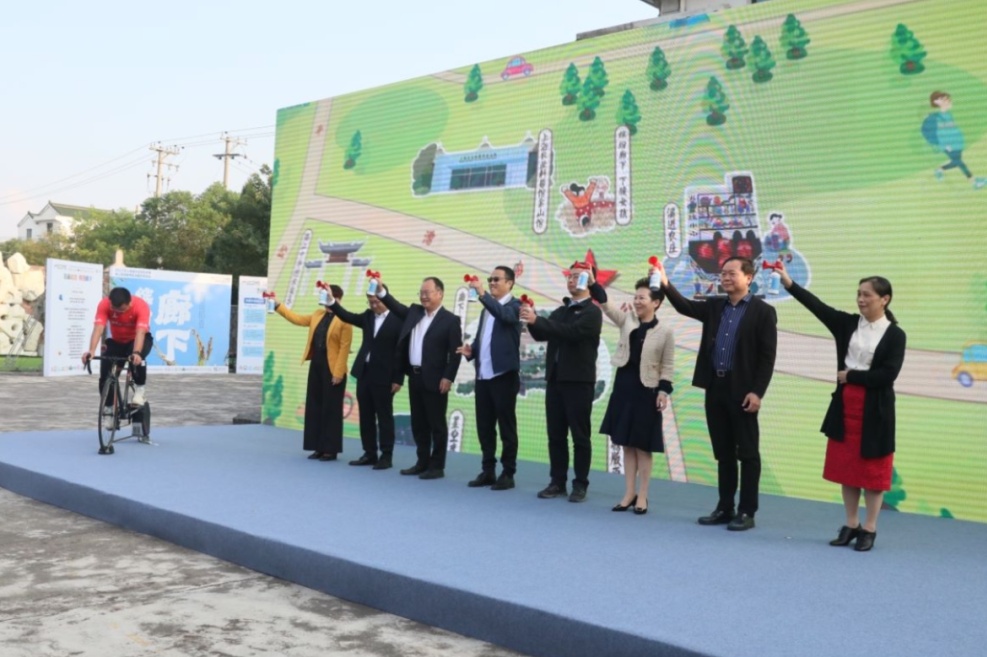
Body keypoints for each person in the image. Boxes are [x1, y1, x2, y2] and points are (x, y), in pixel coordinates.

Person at [778, 265, 906, 551]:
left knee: (872, 474)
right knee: (847, 470)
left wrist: (852, 376)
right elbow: (817, 307)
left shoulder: (896, 335)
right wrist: (788, 283)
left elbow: (888, 375)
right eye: (859, 294)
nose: (861, 299)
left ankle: (869, 528)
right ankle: (851, 524)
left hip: (876, 411)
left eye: (867, 295)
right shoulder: (847, 324)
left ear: (884, 299)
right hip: (845, 406)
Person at [658, 257, 777, 531]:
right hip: (715, 387)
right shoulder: (714, 306)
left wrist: (757, 392)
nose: (725, 277)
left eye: (731, 273)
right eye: (722, 273)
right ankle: (725, 507)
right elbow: (684, 306)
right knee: (723, 452)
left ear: (749, 277)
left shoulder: (763, 312)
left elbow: (767, 358)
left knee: (748, 453)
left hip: (743, 391)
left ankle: (747, 511)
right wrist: (664, 282)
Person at [521, 261, 603, 503]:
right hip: (555, 380)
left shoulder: (592, 312)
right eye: (570, 276)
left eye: (577, 276)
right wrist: (530, 319)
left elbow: (572, 333)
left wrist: (539, 320)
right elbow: (542, 333)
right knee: (555, 435)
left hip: (578, 381)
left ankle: (580, 484)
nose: (571, 280)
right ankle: (557, 482)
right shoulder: (561, 310)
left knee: (580, 436)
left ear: (588, 280)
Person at [594, 277, 675, 515]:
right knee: (627, 444)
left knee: (642, 446)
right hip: (624, 388)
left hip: (647, 391)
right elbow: (607, 305)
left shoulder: (665, 332)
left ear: (656, 303)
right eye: (636, 297)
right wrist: (593, 283)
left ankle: (643, 495)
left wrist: (663, 391)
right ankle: (629, 493)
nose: (637, 301)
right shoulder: (627, 320)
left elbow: (667, 365)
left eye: (642, 298)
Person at [377, 277, 462, 480]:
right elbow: (395, 306)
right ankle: (422, 462)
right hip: (414, 377)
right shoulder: (414, 313)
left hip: (436, 380)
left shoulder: (450, 320)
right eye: (421, 293)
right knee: (418, 424)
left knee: (436, 425)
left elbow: (455, 353)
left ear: (440, 293)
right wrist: (381, 292)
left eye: (427, 292)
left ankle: (437, 466)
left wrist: (448, 377)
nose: (423, 296)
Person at [456, 266, 522, 491]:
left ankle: (508, 472)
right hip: (483, 376)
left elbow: (504, 317)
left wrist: (483, 294)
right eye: (490, 279)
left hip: (503, 376)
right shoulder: (487, 310)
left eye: (497, 279)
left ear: (510, 283)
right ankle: (488, 470)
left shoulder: (515, 306)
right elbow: (482, 339)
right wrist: (471, 351)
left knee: (506, 427)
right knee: (484, 426)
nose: (492, 282)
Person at [272, 284, 353, 461]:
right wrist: (277, 305)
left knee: (331, 410)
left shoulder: (345, 319)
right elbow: (297, 319)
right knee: (315, 406)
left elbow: (344, 348)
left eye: (329, 298)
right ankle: (317, 447)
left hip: (334, 368)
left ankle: (330, 449)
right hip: (316, 364)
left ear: (338, 299)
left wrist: (338, 373)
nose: (325, 302)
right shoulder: (318, 314)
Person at [325, 291, 404, 470]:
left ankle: (386, 456)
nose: (374, 306)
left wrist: (398, 378)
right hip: (364, 372)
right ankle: (369, 453)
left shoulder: (398, 319)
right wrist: (332, 302)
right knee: (366, 415)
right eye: (370, 302)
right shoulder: (368, 316)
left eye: (376, 302)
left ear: (385, 299)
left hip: (385, 375)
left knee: (384, 417)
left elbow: (401, 351)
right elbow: (347, 316)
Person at [83, 287, 154, 407]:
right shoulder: (104, 304)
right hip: (117, 341)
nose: (118, 312)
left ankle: (140, 390)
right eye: (114, 309)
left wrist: (136, 352)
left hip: (138, 339)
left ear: (129, 303)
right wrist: (91, 351)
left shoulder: (140, 306)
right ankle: (109, 407)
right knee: (105, 373)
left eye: (121, 310)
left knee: (137, 358)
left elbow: (140, 332)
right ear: (110, 302)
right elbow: (98, 328)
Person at [923, 91, 986, 189]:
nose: (948, 101)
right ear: (936, 102)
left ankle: (940, 169)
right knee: (958, 161)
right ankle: (974, 182)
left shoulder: (948, 114)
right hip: (948, 145)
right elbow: (932, 132)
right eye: (944, 99)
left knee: (957, 162)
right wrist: (943, 145)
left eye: (948, 99)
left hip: (955, 143)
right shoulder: (935, 118)